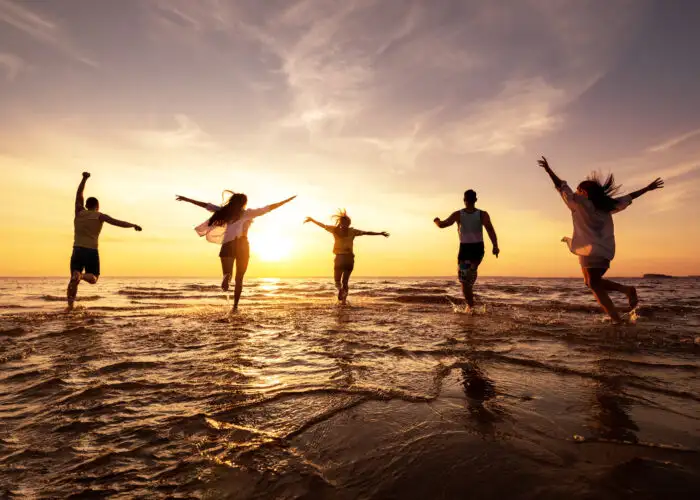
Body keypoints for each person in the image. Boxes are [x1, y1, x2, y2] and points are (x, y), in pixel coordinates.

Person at [538, 156, 664, 323]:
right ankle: (623, 295)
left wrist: (548, 170)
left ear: (583, 192)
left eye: (578, 190)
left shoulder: (578, 202)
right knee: (590, 282)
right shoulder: (606, 204)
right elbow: (629, 197)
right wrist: (647, 189)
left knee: (594, 284)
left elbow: (561, 186)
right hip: (604, 249)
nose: (575, 192)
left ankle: (617, 317)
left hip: (589, 249)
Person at [176, 191, 295, 311]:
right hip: (243, 245)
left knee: (228, 274)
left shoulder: (224, 211)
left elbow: (205, 205)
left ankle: (226, 278)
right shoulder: (247, 213)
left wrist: (186, 199)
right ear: (244, 203)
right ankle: (235, 306)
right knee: (239, 279)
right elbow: (268, 208)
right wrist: (285, 201)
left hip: (228, 244)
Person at [67, 172, 142, 311]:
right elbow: (116, 222)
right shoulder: (99, 216)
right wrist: (133, 225)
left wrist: (84, 179)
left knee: (73, 279)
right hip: (91, 251)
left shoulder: (79, 212)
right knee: (94, 277)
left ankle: (70, 307)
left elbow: (79, 194)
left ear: (86, 205)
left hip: (77, 249)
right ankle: (82, 276)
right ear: (97, 206)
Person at [434, 190, 499, 310]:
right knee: (468, 278)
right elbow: (490, 229)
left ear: (464, 200)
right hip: (478, 249)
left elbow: (443, 224)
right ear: (476, 200)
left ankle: (470, 307)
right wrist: (495, 246)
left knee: (464, 282)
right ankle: (471, 302)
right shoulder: (482, 214)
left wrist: (436, 221)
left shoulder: (458, 214)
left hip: (465, 250)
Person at [304, 210, 389, 304]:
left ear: (340, 223)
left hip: (340, 258)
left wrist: (312, 220)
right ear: (349, 223)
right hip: (349, 259)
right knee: (345, 282)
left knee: (337, 282)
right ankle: (344, 301)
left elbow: (322, 225)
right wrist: (380, 233)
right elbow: (366, 232)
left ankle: (340, 290)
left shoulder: (334, 229)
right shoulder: (352, 231)